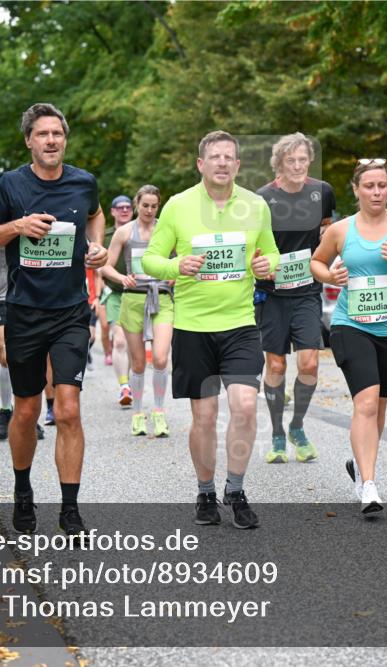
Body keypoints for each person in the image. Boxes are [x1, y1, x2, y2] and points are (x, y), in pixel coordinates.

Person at [0, 102, 108, 537]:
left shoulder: (83, 182)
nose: (51, 141)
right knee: (27, 410)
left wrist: (97, 246)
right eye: (43, 134)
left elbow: (96, 214)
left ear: (64, 139)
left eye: (58, 134)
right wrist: (18, 226)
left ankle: (70, 508)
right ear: (29, 141)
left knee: (68, 409)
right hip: (24, 313)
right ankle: (22, 489)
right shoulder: (11, 184)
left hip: (71, 312)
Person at [142, 130, 280, 529]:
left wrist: (266, 264)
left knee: (245, 406)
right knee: (204, 417)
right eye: (214, 157)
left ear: (237, 165)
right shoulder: (178, 205)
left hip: (240, 324)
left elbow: (271, 252)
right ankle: (205, 492)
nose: (222, 162)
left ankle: (235, 490)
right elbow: (150, 259)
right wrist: (176, 266)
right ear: (201, 164)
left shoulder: (256, 206)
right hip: (193, 327)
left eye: (228, 157)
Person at [310, 159, 387, 514]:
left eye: (382, 185)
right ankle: (368, 485)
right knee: (365, 403)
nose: (377, 192)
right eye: (369, 186)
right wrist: (329, 277)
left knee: (378, 407)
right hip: (351, 326)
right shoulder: (341, 230)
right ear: (356, 190)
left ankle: (358, 460)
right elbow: (316, 262)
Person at [255, 133, 336, 463]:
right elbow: (252, 243)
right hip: (272, 293)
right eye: (291, 160)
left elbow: (328, 229)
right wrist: (261, 264)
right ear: (280, 164)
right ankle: (277, 433)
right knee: (275, 365)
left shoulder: (322, 192)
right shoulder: (263, 198)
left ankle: (297, 426)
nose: (299, 166)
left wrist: (325, 248)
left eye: (303, 159)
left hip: (307, 290)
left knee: (310, 363)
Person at [101, 185, 174, 437]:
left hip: (161, 298)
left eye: (154, 206)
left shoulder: (167, 229)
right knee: (139, 363)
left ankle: (159, 412)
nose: (150, 210)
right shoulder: (124, 232)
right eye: (145, 206)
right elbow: (105, 266)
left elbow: (181, 258)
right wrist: (122, 278)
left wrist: (174, 274)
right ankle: (138, 413)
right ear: (137, 205)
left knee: (161, 358)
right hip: (132, 299)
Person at [0, 245, 45, 443]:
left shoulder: (47, 224)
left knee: (33, 358)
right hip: (5, 298)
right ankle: (6, 410)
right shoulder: (4, 226)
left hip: (40, 300)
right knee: (5, 356)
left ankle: (29, 414)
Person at [99, 194, 135, 408]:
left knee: (135, 343)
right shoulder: (105, 236)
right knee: (120, 340)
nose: (124, 210)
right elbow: (98, 264)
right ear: (112, 211)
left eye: (128, 207)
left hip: (140, 293)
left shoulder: (142, 231)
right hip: (114, 292)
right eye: (119, 207)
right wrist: (99, 289)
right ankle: (124, 386)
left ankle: (133, 380)